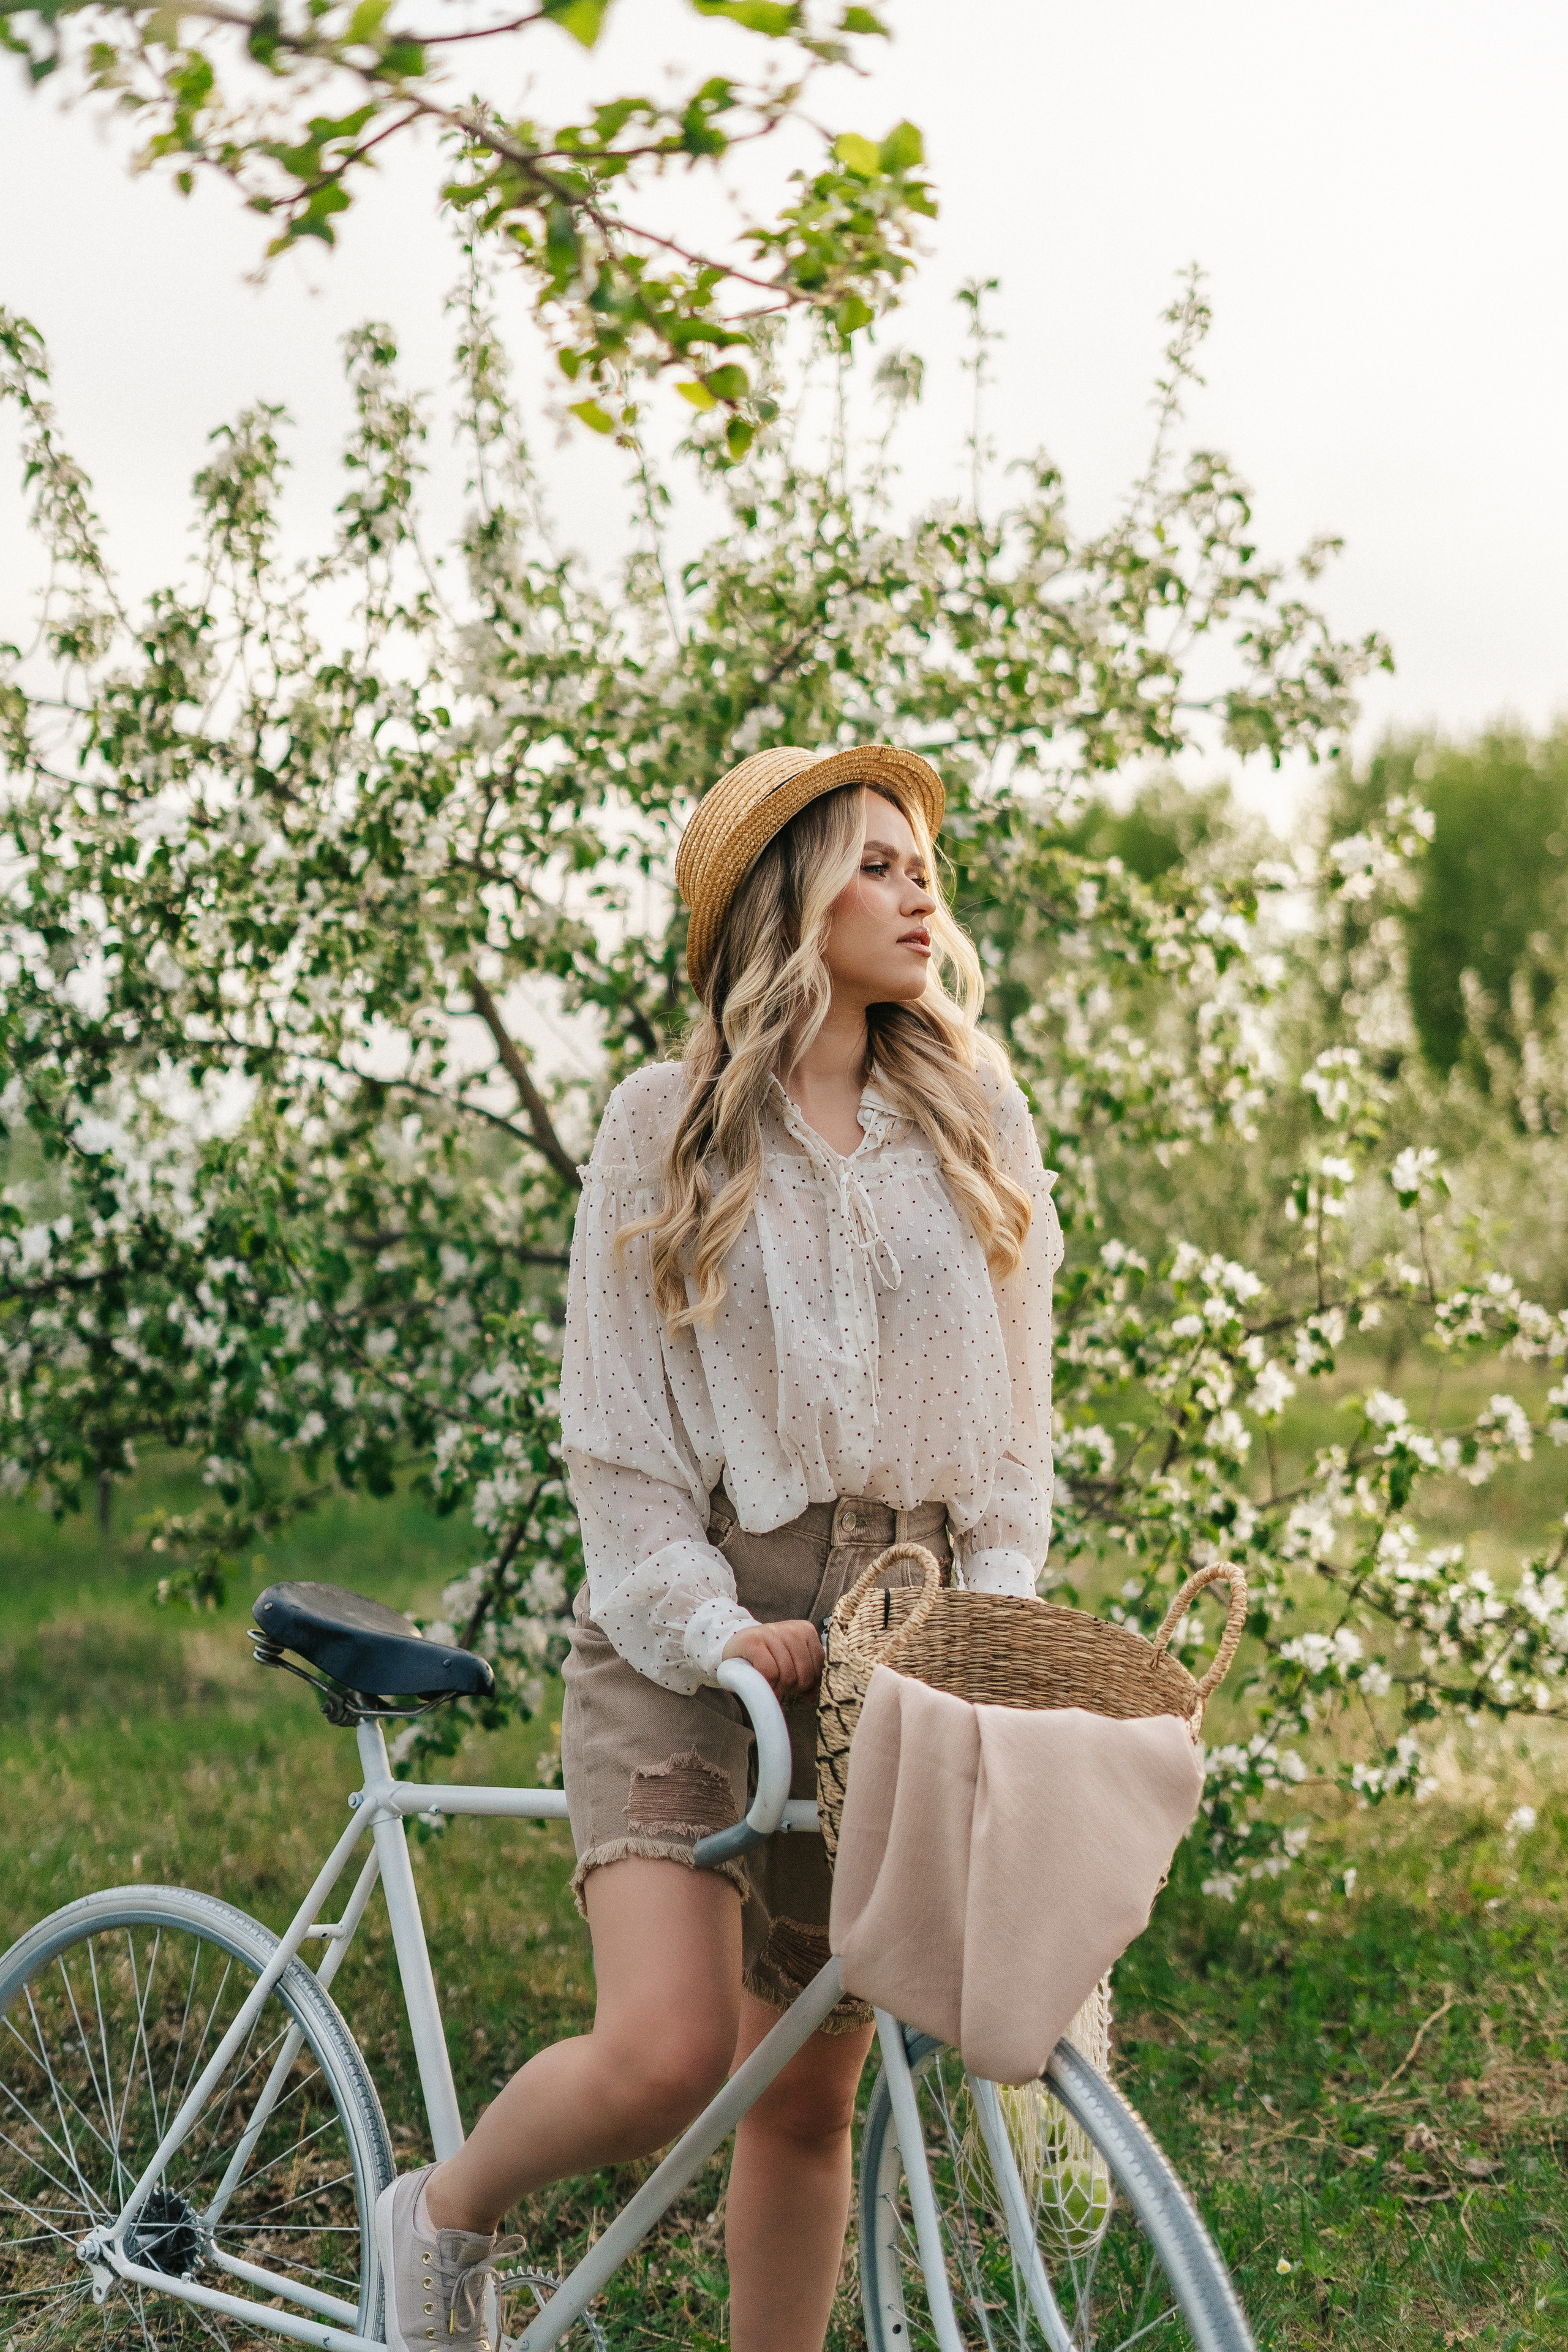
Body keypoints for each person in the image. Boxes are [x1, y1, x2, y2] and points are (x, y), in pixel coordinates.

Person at [375, 744, 1063, 2352]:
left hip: (895, 1638)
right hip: (687, 1636)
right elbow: (620, 1447)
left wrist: (997, 1621)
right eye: (876, 863)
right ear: (789, 900)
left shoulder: (974, 1116)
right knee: (672, 2055)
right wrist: (707, 1628)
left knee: (807, 2097)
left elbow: (1017, 1428)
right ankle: (444, 2214)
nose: (920, 890)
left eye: (923, 864)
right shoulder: (663, 1123)